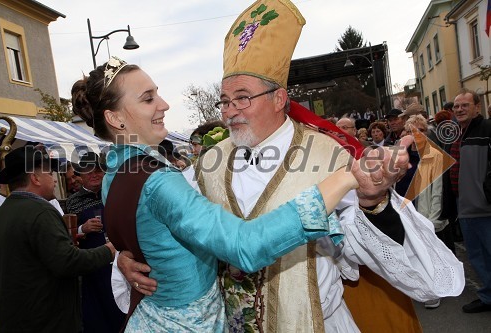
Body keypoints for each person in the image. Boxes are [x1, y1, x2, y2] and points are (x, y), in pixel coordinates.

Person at [116, 1, 464, 332]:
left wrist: (372, 202)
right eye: (224, 101)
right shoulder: (206, 164)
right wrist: (125, 261)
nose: (229, 110)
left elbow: (388, 257)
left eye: (242, 98)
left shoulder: (327, 156)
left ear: (279, 98)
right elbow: (159, 225)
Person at [69, 54, 396, 331]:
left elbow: (141, 229)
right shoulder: (159, 180)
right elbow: (245, 245)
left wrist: (133, 256)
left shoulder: (116, 170)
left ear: (279, 98)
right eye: (148, 98)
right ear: (115, 118)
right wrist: (343, 180)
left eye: (242, 98)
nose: (165, 104)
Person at [0, 145, 115, 332]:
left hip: (14, 319)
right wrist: (109, 250)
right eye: (49, 173)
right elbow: (68, 262)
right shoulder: (39, 211)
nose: (55, 181)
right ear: (35, 178)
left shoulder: (1, 214)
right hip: (44, 320)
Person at [65, 152, 125, 332]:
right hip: (91, 268)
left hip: (120, 263)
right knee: (97, 316)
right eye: (88, 171)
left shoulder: (115, 193)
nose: (94, 175)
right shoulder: (72, 202)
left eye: (98, 170)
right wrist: (83, 228)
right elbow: (66, 236)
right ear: (80, 176)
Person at [402, 115, 455, 308]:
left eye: (421, 130)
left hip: (425, 213)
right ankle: (422, 286)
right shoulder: (401, 155)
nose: (416, 134)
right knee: (413, 253)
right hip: (405, 212)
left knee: (429, 252)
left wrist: (432, 221)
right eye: (411, 130)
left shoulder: (434, 156)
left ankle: (434, 290)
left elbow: (438, 192)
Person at [450, 88, 491, 313]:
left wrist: (487, 192)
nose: (459, 109)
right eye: (456, 106)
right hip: (464, 206)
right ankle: (487, 297)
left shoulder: (487, 129)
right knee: (477, 256)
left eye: (465, 105)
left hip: (484, 207)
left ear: (477, 106)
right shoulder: (456, 133)